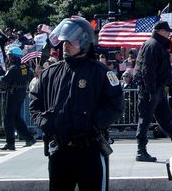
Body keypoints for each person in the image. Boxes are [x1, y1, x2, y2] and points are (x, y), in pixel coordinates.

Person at [30, 17, 124, 190]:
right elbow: (35, 103)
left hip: (89, 150)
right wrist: (47, 123)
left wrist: (93, 123)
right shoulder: (50, 73)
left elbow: (116, 105)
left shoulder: (101, 72)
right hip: (59, 150)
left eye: (71, 41)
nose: (65, 45)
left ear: (84, 42)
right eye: (64, 41)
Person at [133, 21, 172, 162]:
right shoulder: (153, 45)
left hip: (156, 88)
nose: (169, 34)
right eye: (167, 31)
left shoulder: (156, 44)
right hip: (150, 89)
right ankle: (140, 151)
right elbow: (147, 71)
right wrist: (151, 91)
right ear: (160, 31)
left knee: (166, 119)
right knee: (145, 119)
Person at [0, 47, 35, 151]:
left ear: (12, 57)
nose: (8, 57)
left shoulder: (13, 68)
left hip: (12, 94)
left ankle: (10, 143)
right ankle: (29, 138)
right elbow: (31, 75)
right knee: (16, 117)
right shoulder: (25, 67)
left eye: (9, 55)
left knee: (8, 118)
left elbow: (2, 82)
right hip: (21, 94)